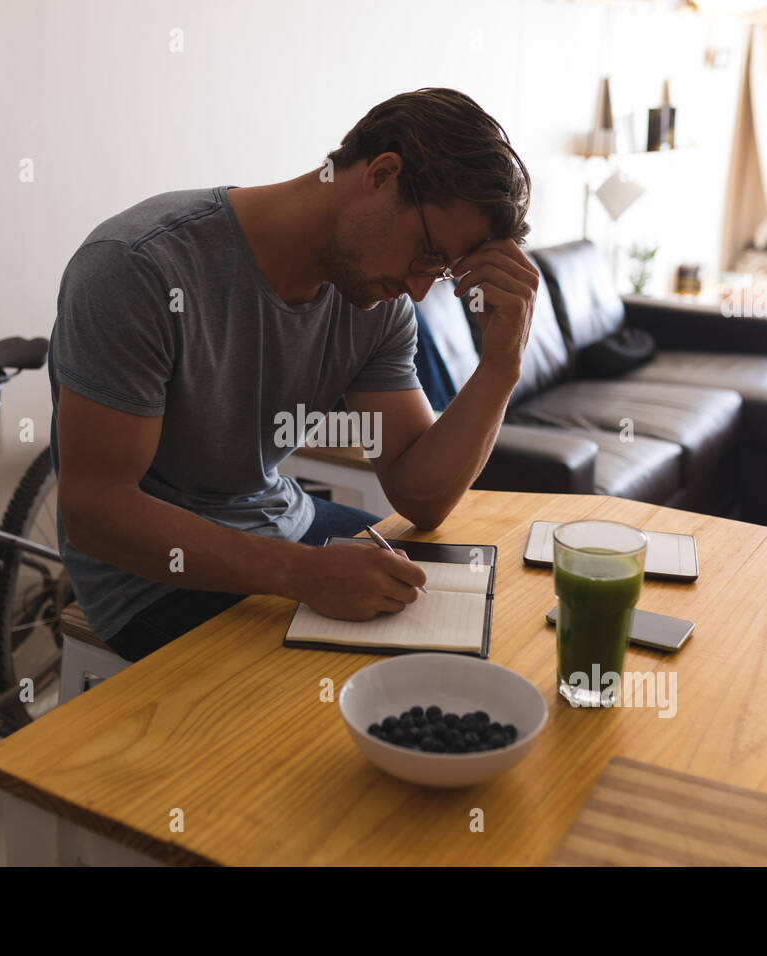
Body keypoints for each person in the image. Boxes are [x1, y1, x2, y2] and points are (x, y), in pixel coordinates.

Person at [47, 87, 537, 662]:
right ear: (381, 176)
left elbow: (419, 496)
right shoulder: (140, 266)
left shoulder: (378, 306)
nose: (421, 287)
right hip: (148, 580)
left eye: (444, 270)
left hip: (281, 520)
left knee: (485, 622)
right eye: (428, 254)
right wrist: (303, 574)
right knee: (362, 691)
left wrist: (501, 366)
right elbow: (95, 511)